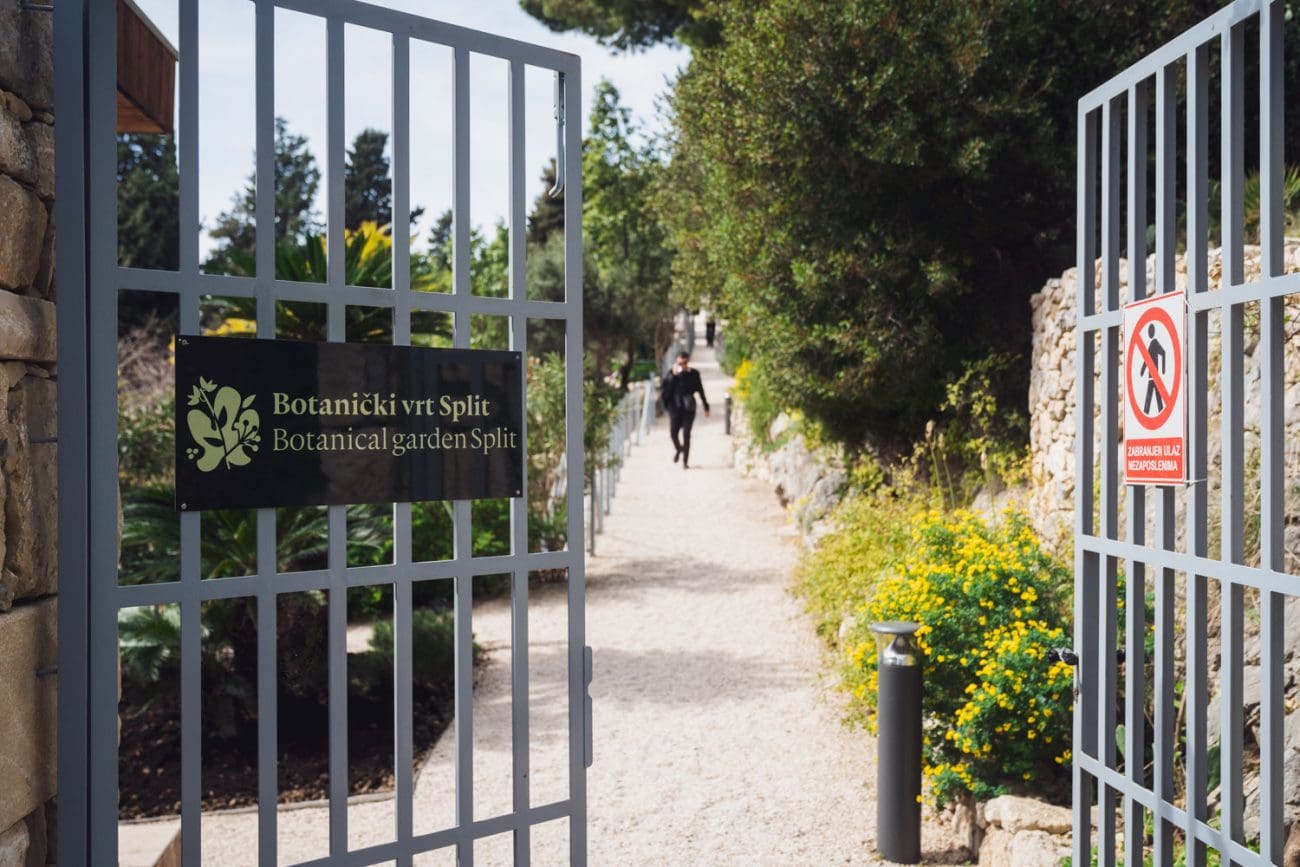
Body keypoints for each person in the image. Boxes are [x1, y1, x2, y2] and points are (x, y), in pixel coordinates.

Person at [660, 351, 709, 469]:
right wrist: (673, 376)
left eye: (684, 363)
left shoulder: (694, 374)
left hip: (689, 408)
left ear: (688, 362)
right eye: (680, 363)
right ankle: (679, 449)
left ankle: (685, 462)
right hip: (674, 408)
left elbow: (700, 390)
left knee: (686, 434)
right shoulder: (671, 375)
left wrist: (706, 406)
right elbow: (665, 392)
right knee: (673, 434)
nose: (682, 365)